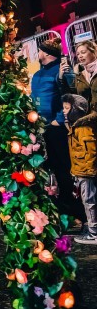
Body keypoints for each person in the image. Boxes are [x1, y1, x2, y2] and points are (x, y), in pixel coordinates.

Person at [30, 38, 76, 214]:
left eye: (40, 50)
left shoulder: (61, 71)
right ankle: (53, 202)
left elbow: (68, 96)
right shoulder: (38, 74)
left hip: (56, 127)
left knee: (62, 167)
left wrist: (59, 119)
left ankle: (68, 205)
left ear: (47, 53)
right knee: (47, 167)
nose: (38, 53)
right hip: (40, 127)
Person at [63, 93, 97, 244]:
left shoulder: (83, 129)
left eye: (67, 108)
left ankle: (94, 232)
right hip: (81, 170)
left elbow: (89, 153)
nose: (64, 111)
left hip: (85, 171)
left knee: (89, 201)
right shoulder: (76, 127)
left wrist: (83, 171)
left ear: (75, 110)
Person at [61, 40, 97, 108]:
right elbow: (73, 95)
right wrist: (61, 77)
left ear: (93, 52)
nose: (80, 56)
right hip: (87, 115)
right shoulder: (79, 75)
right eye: (78, 54)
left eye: (83, 52)